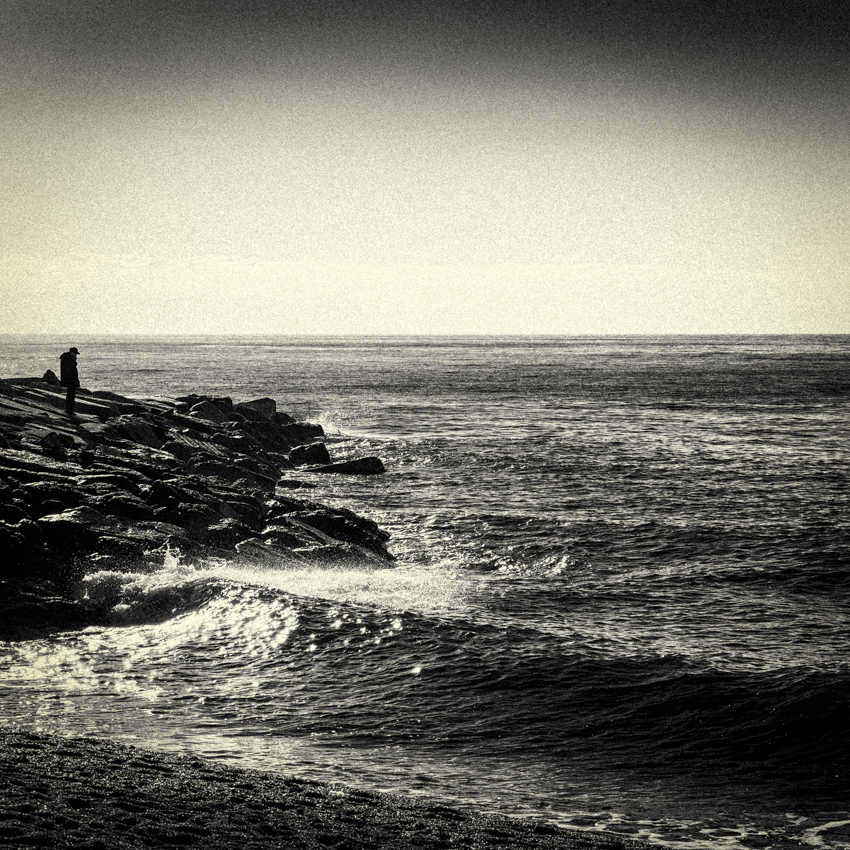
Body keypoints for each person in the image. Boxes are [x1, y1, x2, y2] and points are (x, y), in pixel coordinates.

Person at [59, 346, 80, 416]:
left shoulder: (66, 358)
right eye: (75, 354)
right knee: (71, 395)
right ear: (72, 353)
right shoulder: (68, 359)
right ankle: (69, 410)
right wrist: (74, 361)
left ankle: (69, 409)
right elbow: (70, 370)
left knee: (70, 395)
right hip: (70, 380)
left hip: (69, 379)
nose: (76, 355)